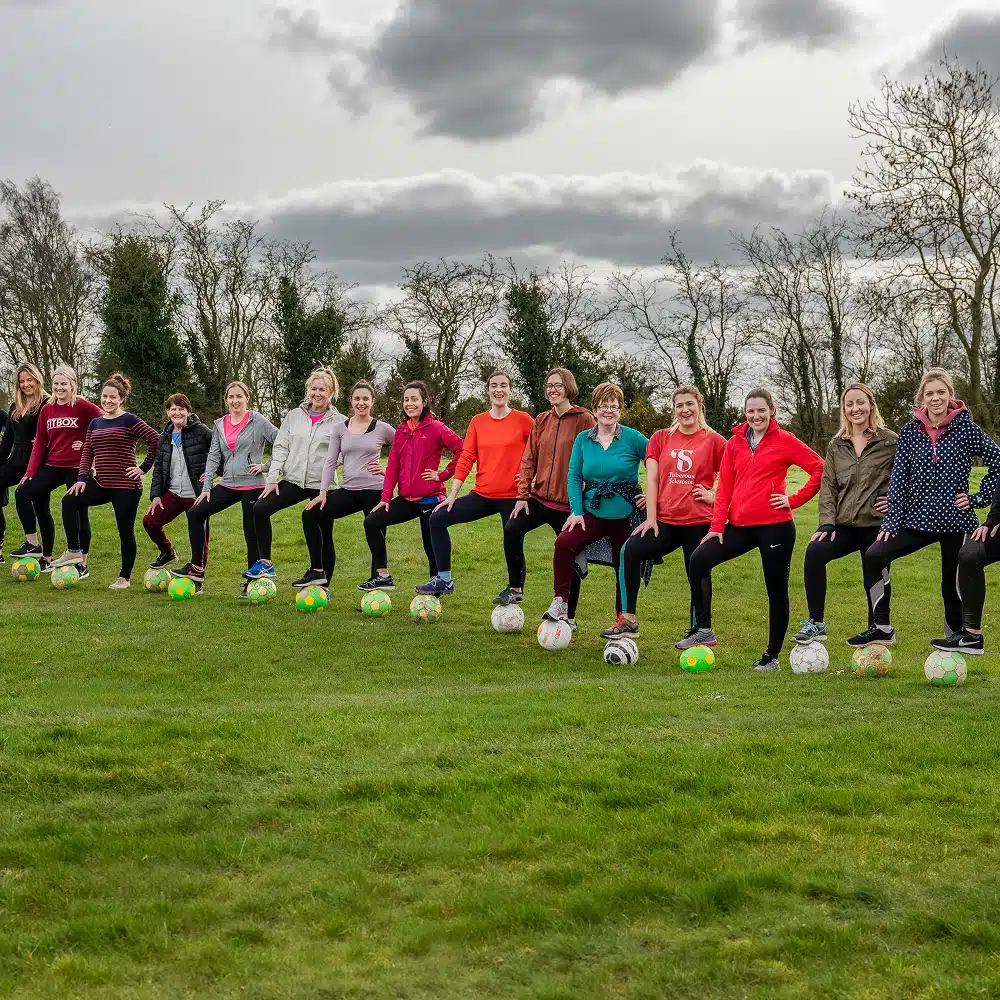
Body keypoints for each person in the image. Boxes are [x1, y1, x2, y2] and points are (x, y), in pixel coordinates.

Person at [858, 368, 1000, 650]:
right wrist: (891, 521)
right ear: (921, 397)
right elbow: (899, 478)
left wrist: (977, 498)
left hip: (955, 520)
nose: (935, 398)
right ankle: (881, 627)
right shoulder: (911, 431)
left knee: (951, 586)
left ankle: (958, 639)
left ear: (950, 395)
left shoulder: (966, 429)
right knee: (875, 554)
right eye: (930, 393)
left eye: (941, 392)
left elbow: (998, 463)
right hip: (916, 519)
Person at [687, 388, 824, 671]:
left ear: (772, 410)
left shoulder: (785, 440)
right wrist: (716, 525)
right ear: (745, 413)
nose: (756, 416)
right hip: (739, 526)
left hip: (776, 527)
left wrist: (793, 500)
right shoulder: (734, 444)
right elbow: (723, 486)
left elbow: (819, 468)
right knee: (699, 559)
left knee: (775, 591)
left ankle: (771, 656)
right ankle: (703, 629)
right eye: (751, 411)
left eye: (761, 410)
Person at [601, 385, 727, 641]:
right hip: (666, 521)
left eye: (689, 404)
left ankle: (701, 630)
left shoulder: (714, 440)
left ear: (699, 405)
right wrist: (650, 518)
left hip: (699, 522)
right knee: (630, 550)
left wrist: (714, 497)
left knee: (697, 571)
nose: (685, 410)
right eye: (679, 405)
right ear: (674, 409)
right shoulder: (660, 438)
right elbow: (653, 480)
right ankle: (628, 620)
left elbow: (734, 475)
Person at [793, 384, 898, 646]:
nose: (855, 409)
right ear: (844, 409)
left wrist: (896, 504)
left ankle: (878, 626)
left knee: (873, 570)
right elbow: (828, 487)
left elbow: (909, 478)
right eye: (849, 404)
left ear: (871, 405)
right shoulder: (836, 445)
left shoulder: (890, 441)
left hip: (877, 525)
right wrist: (827, 523)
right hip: (844, 525)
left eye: (860, 402)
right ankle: (816, 622)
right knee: (814, 551)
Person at [415, 370, 534, 597]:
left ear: (510, 390)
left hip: (512, 496)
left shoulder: (524, 420)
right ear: (488, 390)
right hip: (483, 494)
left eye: (503, 385)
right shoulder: (478, 422)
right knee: (438, 518)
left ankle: (515, 588)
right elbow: (467, 457)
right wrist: (453, 494)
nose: (498, 390)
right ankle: (444, 579)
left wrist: (531, 480)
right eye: (493, 386)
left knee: (512, 535)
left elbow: (540, 451)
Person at [542, 383, 648, 625]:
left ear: (620, 410)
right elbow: (574, 476)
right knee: (564, 543)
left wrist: (654, 496)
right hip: (592, 512)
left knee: (624, 563)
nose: (608, 410)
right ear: (595, 409)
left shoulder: (634, 438)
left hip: (626, 516)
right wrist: (577, 511)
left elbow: (659, 462)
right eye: (604, 406)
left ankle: (623, 619)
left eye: (614, 406)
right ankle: (560, 602)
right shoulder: (583, 440)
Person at [500, 367, 596, 620]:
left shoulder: (584, 419)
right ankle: (515, 588)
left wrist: (585, 497)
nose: (552, 389)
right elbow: (529, 458)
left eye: (558, 385)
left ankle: (569, 616)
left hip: (569, 505)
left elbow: (595, 458)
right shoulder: (542, 419)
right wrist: (522, 495)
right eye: (549, 385)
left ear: (569, 387)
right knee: (511, 529)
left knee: (569, 557)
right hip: (540, 499)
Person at [50, 374, 161, 589]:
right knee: (69, 500)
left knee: (125, 531)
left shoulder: (130, 420)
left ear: (121, 399)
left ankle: (124, 578)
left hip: (126, 488)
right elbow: (87, 453)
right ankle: (74, 550)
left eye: (113, 397)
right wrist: (82, 479)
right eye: (104, 396)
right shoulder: (95, 423)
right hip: (101, 483)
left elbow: (156, 439)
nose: (108, 401)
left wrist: (143, 468)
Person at [171, 382, 278, 592]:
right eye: (231, 397)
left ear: (247, 398)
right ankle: (196, 568)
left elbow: (283, 442)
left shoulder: (258, 420)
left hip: (252, 485)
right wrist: (207, 487)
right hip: (228, 483)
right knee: (195, 513)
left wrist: (266, 466)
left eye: (239, 396)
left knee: (251, 531)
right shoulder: (220, 424)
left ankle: (253, 584)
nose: (235, 401)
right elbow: (214, 456)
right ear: (226, 400)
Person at [244, 368, 345, 580]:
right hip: (294, 480)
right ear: (308, 390)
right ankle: (265, 563)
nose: (317, 393)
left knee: (324, 533)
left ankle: (323, 582)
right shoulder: (293, 416)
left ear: (331, 392)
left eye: (322, 389)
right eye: (313, 388)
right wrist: (272, 479)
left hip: (323, 485)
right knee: (261, 508)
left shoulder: (340, 422)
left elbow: (347, 453)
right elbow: (281, 447)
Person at [362, 382, 464, 591]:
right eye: (406, 399)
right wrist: (385, 498)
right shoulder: (401, 430)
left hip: (431, 499)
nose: (410, 403)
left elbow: (463, 450)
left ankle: (438, 584)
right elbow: (392, 467)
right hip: (407, 499)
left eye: (414, 399)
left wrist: (443, 475)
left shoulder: (436, 427)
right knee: (372, 521)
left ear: (424, 402)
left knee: (430, 545)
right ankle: (382, 575)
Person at [297, 380, 395, 590]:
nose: (361, 403)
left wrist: (387, 472)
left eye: (365, 399)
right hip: (349, 490)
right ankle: (317, 570)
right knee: (310, 515)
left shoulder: (383, 428)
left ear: (372, 401)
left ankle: (378, 585)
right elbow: (330, 461)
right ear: (351, 401)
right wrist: (323, 492)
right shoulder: (340, 428)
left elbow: (405, 450)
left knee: (375, 533)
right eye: (357, 399)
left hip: (375, 491)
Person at [18, 364, 102, 571]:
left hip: (77, 466)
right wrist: (30, 473)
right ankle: (34, 545)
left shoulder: (84, 406)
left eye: (64, 383)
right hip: (53, 464)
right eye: (56, 383)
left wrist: (85, 442)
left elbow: (108, 422)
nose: (59, 387)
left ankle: (81, 563)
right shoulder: (47, 410)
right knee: (22, 493)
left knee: (78, 511)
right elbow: (39, 443)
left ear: (73, 384)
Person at [142, 393, 214, 570]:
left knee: (199, 537)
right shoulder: (163, 438)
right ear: (168, 412)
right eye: (173, 409)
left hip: (196, 495)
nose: (177, 412)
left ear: (188, 411)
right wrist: (156, 496)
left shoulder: (201, 431)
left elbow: (219, 451)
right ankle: (167, 552)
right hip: (173, 493)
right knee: (150, 520)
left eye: (181, 409)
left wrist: (213, 472)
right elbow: (158, 469)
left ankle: (197, 572)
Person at [0, 363, 48, 563]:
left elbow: (57, 430)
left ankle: (37, 547)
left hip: (38, 463)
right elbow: (7, 441)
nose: (26, 384)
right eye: (22, 381)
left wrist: (45, 441)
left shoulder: (47, 403)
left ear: (37, 380)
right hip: (16, 461)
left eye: (30, 380)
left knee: (39, 506)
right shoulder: (15, 406)